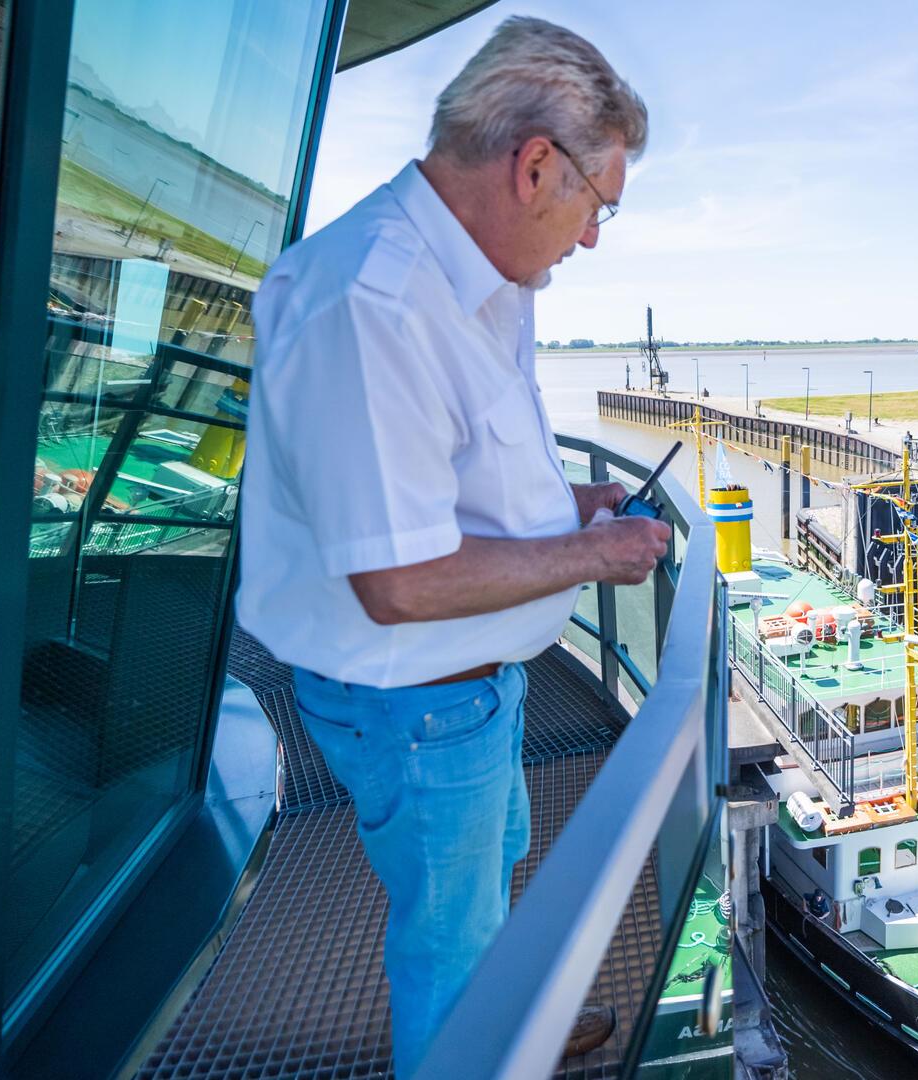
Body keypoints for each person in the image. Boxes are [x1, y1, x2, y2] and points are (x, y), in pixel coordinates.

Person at [236, 18, 659, 1071]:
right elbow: (400, 578)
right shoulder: (375, 302)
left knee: (488, 881)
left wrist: (570, 503)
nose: (595, 234)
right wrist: (596, 557)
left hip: (469, 690)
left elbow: (452, 479)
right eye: (599, 202)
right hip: (420, 704)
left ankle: (519, 1024)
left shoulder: (478, 281)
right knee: (448, 950)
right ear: (533, 165)